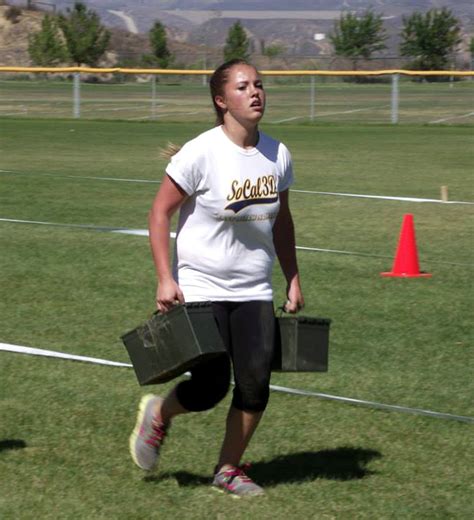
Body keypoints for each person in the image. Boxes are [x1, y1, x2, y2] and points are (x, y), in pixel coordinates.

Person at [129, 59, 304, 498]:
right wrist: (165, 277)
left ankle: (227, 469)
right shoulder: (200, 152)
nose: (256, 93)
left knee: (255, 384)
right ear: (222, 100)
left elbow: (283, 222)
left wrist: (293, 279)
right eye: (244, 87)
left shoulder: (277, 154)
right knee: (209, 387)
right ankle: (158, 415)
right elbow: (158, 212)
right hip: (202, 285)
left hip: (254, 287)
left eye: (259, 85)